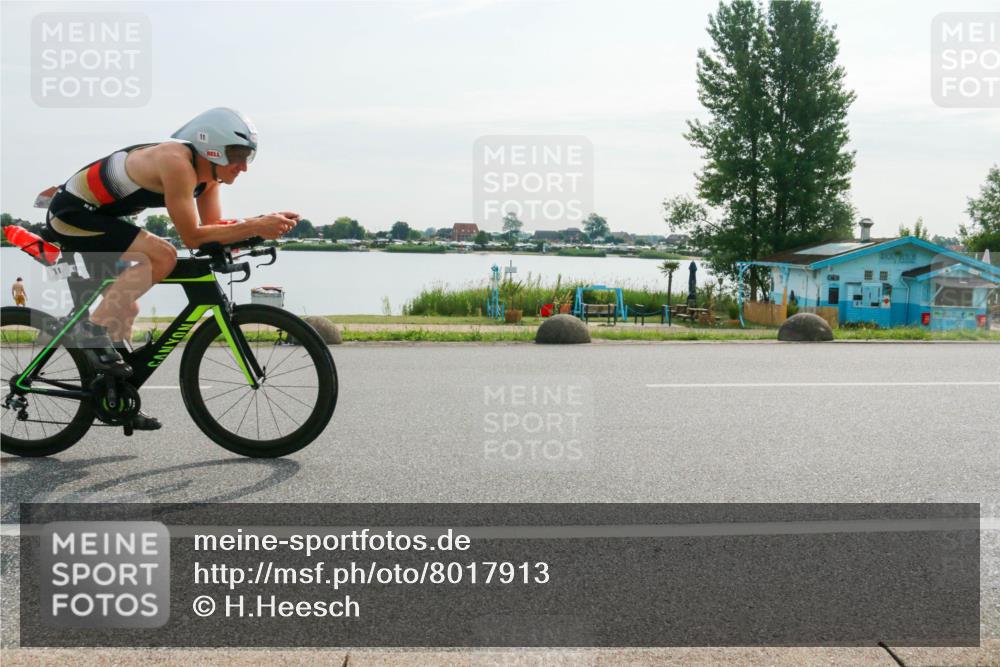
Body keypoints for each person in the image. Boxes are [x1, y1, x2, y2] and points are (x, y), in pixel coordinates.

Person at [45, 108, 299, 429]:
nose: (244, 166)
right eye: (237, 155)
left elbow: (212, 228)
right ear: (212, 149)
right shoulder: (176, 162)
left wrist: (260, 224)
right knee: (164, 256)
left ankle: (117, 397)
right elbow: (192, 236)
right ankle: (90, 332)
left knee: (126, 308)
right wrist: (255, 226)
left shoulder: (208, 179)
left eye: (248, 156)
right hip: (71, 215)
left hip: (102, 217)